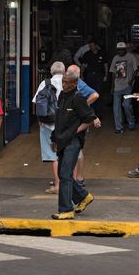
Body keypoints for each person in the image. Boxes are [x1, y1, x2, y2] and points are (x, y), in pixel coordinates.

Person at [51, 68, 96, 220]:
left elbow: (89, 119)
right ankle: (84, 197)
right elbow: (58, 119)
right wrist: (53, 138)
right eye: (63, 82)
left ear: (75, 83)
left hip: (73, 141)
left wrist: (75, 131)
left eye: (67, 83)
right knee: (65, 174)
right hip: (61, 140)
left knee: (64, 174)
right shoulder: (62, 96)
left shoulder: (78, 98)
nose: (64, 85)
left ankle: (66, 210)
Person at [109, 42, 137, 133]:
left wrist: (131, 81)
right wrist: (112, 86)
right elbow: (113, 73)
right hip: (117, 87)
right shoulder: (115, 58)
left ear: (125, 49)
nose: (120, 51)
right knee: (116, 108)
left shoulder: (131, 57)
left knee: (126, 105)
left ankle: (131, 123)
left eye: (122, 49)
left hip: (127, 86)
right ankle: (119, 128)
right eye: (118, 50)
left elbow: (136, 70)